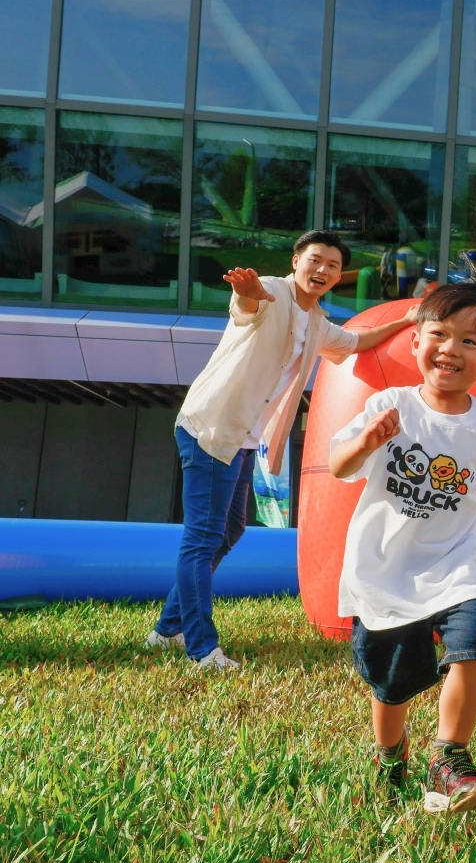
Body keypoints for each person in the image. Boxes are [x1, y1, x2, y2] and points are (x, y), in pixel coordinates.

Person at [145, 231, 415, 669]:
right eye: (315, 260)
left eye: (331, 264)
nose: (322, 270)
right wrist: (246, 293)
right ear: (296, 261)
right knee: (202, 538)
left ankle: (166, 629)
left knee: (230, 531)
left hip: (243, 437)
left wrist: (407, 321)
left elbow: (357, 343)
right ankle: (200, 647)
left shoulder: (319, 323)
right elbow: (247, 307)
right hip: (213, 427)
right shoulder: (271, 289)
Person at [329, 281, 476, 813]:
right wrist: (366, 442)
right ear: (417, 339)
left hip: (458, 565)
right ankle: (389, 752)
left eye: (470, 342)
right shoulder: (390, 405)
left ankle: (449, 756)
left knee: (474, 646)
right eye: (440, 334)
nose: (451, 348)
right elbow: (340, 466)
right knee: (392, 683)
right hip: (385, 569)